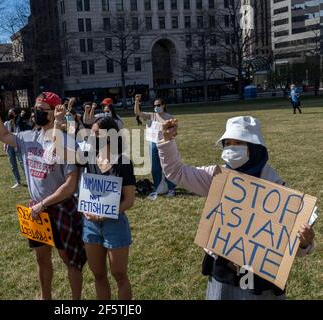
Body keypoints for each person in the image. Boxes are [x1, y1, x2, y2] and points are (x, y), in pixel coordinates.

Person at [158, 116, 316, 300]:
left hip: (259, 279)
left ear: (254, 148)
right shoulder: (216, 177)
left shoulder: (278, 189)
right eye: (228, 143)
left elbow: (294, 247)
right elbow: (176, 173)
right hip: (224, 273)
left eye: (238, 142)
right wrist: (167, 141)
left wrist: (305, 242)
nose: (231, 148)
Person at [0, 92, 86, 300]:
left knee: (70, 259)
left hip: (61, 208)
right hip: (36, 210)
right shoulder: (29, 137)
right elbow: (3, 136)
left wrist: (43, 204)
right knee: (41, 259)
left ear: (53, 112)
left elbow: (70, 186)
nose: (36, 113)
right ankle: (45, 297)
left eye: (42, 110)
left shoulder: (66, 143)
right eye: (35, 109)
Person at [80, 116, 136, 300]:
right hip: (90, 225)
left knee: (119, 275)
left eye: (97, 133)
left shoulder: (123, 162)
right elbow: (86, 190)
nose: (93, 136)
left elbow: (129, 200)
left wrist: (107, 212)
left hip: (114, 224)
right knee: (98, 275)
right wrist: (86, 209)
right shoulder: (89, 159)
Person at [134, 95, 176, 200]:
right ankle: (158, 187)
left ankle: (171, 188)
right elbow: (138, 113)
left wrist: (170, 131)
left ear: (163, 105)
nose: (156, 107)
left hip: (166, 144)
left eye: (158, 105)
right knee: (155, 167)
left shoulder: (169, 117)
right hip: (153, 144)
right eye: (154, 105)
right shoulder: (151, 116)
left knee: (167, 166)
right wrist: (136, 101)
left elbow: (174, 133)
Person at [4, 108, 25, 188]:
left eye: (11, 112)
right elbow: (4, 134)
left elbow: (19, 134)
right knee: (12, 164)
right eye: (9, 112)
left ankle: (28, 179)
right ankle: (17, 181)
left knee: (22, 163)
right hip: (9, 146)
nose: (10, 114)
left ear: (15, 114)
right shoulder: (6, 123)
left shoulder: (18, 123)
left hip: (17, 145)